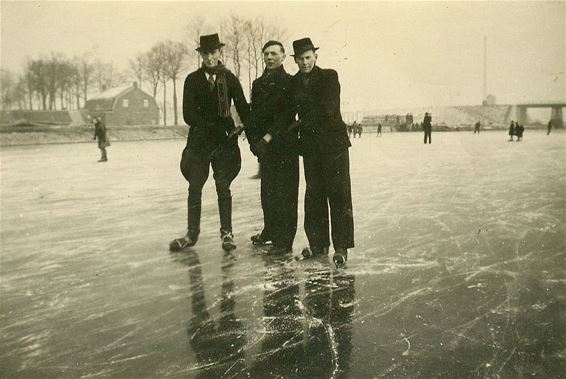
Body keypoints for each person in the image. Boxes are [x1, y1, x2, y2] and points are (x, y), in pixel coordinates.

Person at [169, 33, 250, 252]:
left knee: (223, 186)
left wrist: (252, 134)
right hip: (200, 142)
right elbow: (188, 114)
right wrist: (210, 127)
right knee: (195, 186)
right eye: (205, 53)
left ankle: (227, 233)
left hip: (225, 143)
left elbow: (243, 107)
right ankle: (191, 235)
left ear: (219, 52)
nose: (210, 57)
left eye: (213, 52)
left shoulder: (230, 79)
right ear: (201, 55)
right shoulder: (192, 80)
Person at [290, 37, 354, 267]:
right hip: (310, 148)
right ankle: (318, 245)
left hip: (333, 146)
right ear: (295, 60)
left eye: (308, 57)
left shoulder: (329, 76)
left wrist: (299, 125)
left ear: (316, 56)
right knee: (314, 196)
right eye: (300, 59)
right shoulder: (294, 82)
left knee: (338, 195)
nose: (305, 62)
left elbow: (328, 109)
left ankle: (341, 248)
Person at [246, 40, 299, 255]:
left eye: (274, 53)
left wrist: (267, 137)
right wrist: (254, 140)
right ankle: (269, 231)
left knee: (285, 193)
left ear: (283, 56)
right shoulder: (258, 84)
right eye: (266, 54)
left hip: (284, 145)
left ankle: (284, 242)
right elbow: (255, 115)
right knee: (267, 193)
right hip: (264, 147)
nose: (269, 57)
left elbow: (286, 115)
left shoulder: (290, 82)